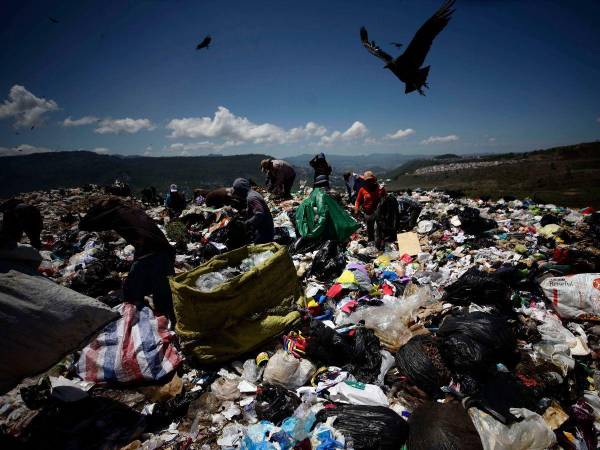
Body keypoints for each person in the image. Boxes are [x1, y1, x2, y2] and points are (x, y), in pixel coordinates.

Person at [79, 197, 176, 323]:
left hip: (150, 256)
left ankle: (145, 325)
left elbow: (85, 224)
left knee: (131, 294)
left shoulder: (115, 214)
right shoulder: (134, 211)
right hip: (165, 253)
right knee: (165, 297)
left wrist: (96, 208)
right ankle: (169, 324)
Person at [232, 178, 274, 244]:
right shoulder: (253, 193)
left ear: (241, 190)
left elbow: (259, 214)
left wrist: (247, 223)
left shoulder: (251, 198)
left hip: (264, 231)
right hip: (265, 228)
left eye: (237, 191)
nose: (237, 194)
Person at [354, 171, 386, 242]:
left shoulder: (379, 188)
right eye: (367, 180)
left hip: (378, 213)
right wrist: (356, 209)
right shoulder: (362, 189)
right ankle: (371, 242)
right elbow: (358, 201)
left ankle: (379, 242)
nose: (369, 182)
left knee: (378, 229)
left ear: (374, 179)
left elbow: (385, 198)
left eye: (371, 180)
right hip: (368, 213)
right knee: (370, 229)